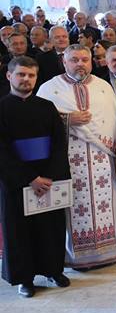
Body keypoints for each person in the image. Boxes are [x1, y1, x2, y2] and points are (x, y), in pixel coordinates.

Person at [37, 45, 116, 268]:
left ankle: (109, 252)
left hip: (102, 158)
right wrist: (67, 120)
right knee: (73, 205)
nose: (80, 64)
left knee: (105, 203)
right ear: (64, 62)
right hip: (68, 158)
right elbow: (38, 121)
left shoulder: (103, 87)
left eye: (84, 60)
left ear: (91, 62)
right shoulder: (50, 88)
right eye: (74, 60)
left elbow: (114, 122)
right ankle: (76, 257)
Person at [0, 56, 71, 297]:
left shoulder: (46, 106)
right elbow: (2, 151)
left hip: (48, 179)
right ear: (10, 76)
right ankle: (25, 279)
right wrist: (30, 178)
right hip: (17, 181)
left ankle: (53, 270)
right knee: (20, 231)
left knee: (51, 228)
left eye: (31, 75)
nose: (26, 79)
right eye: (21, 74)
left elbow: (60, 144)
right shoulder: (2, 108)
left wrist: (49, 176)